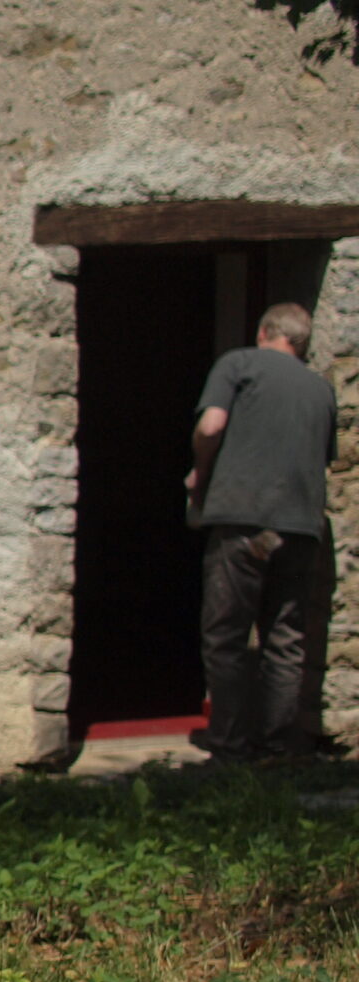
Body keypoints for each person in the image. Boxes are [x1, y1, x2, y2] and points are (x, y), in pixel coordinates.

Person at [185, 302, 338, 766]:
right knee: (286, 638)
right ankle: (277, 750)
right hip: (299, 528)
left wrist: (200, 474)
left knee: (227, 635)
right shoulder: (321, 389)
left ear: (265, 331)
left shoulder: (239, 363)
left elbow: (211, 425)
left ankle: (229, 748)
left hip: (245, 522)